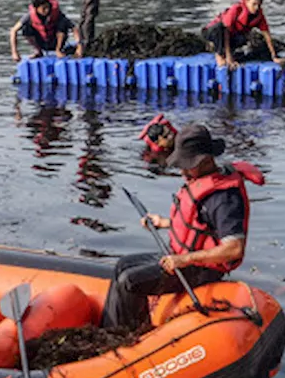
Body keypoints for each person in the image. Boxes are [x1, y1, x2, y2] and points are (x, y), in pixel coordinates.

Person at [102, 124, 265, 330]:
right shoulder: (201, 178)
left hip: (201, 269)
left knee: (129, 281)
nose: (182, 171)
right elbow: (200, 226)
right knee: (122, 265)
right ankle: (111, 328)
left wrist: (184, 259)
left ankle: (126, 336)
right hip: (182, 257)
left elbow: (234, 248)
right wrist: (163, 223)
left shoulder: (224, 199)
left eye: (187, 165)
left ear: (206, 160)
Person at [203, 0, 285, 69]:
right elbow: (226, 31)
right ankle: (219, 55)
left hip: (230, 36)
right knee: (220, 27)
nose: (256, 8)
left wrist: (274, 57)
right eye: (254, 4)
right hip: (213, 32)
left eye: (259, 5)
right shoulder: (236, 9)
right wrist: (229, 57)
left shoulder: (259, 16)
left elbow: (267, 37)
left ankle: (223, 51)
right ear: (247, 2)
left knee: (244, 38)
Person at [10, 0, 75, 62]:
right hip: (43, 42)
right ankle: (38, 51)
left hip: (55, 42)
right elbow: (13, 30)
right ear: (36, 8)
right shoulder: (29, 16)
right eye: (43, 8)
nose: (46, 10)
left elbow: (73, 27)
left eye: (47, 7)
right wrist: (14, 53)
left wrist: (79, 47)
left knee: (62, 23)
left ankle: (58, 50)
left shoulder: (56, 13)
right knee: (26, 28)